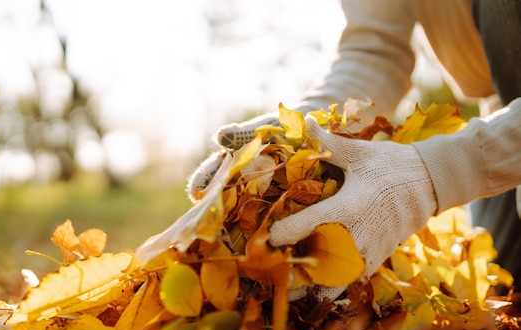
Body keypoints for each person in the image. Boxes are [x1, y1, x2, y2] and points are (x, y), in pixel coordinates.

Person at [189, 0, 521, 299]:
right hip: (503, 112)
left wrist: (433, 173)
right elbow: (376, 50)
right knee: (503, 288)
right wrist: (310, 123)